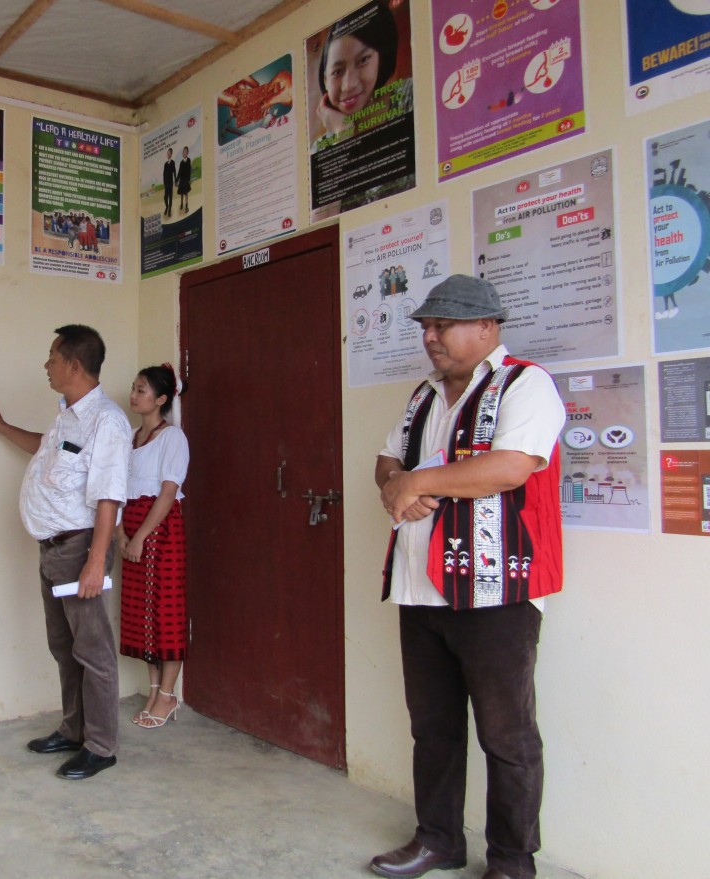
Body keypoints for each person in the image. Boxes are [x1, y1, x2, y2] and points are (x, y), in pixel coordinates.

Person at [371, 275, 565, 879]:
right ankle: (438, 840)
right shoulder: (423, 396)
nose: (430, 337)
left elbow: (509, 467)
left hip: (496, 592)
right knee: (432, 729)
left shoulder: (526, 384)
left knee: (507, 737)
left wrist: (417, 483)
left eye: (442, 325)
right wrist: (396, 486)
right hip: (420, 586)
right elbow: (387, 463)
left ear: (487, 327)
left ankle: (511, 862)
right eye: (426, 327)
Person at [0, 325, 131, 781]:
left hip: (80, 549)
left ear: (74, 366)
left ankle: (101, 746)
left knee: (93, 650)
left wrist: (95, 561)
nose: (46, 365)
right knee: (64, 646)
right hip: (53, 550)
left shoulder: (107, 423)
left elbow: (109, 498)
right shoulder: (68, 416)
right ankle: (74, 728)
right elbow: (45, 451)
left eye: (52, 358)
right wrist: (2, 427)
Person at [117, 364, 189, 729]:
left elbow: (168, 492)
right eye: (133, 387)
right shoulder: (128, 437)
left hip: (159, 530)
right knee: (140, 613)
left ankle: (169, 695)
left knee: (166, 611)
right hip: (131, 527)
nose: (134, 394)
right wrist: (120, 534)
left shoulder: (172, 439)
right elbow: (116, 488)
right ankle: (154, 689)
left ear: (161, 399)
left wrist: (142, 535)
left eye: (142, 390)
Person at [315, 1, 402, 142]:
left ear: (381, 59)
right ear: (325, 80)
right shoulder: (320, 147)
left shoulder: (412, 97)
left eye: (363, 61)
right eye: (337, 72)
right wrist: (343, 133)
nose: (349, 85)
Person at [176, 147, 192, 215]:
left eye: (186, 151)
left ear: (187, 152)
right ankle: (182, 203)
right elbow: (179, 172)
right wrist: (176, 180)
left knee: (186, 193)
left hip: (186, 179)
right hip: (181, 179)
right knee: (182, 193)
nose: (184, 152)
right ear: (183, 153)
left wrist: (188, 179)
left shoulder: (188, 160)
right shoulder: (181, 162)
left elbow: (189, 170)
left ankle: (186, 206)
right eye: (184, 151)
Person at [162, 148, 176, 218]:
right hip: (166, 183)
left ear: (171, 154)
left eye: (169, 153)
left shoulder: (173, 162)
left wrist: (175, 180)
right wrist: (164, 183)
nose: (168, 154)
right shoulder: (165, 164)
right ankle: (167, 207)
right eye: (167, 153)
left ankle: (169, 210)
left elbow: (174, 172)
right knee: (165, 197)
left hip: (170, 183)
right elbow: (164, 174)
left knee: (170, 197)